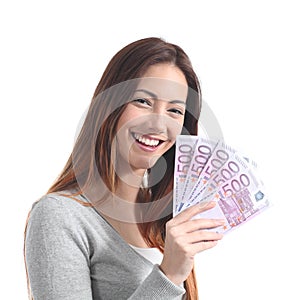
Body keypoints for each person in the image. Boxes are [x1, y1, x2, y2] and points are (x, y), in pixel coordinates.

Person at [24, 37, 224, 300]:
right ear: (108, 105)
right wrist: (169, 275)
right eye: (143, 102)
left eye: (175, 110)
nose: (158, 124)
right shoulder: (59, 216)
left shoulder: (161, 220)